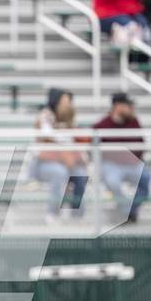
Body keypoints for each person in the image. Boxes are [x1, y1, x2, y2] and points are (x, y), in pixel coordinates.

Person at [30, 88, 88, 224]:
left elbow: (73, 141)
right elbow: (48, 138)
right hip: (44, 162)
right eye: (65, 101)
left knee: (80, 173)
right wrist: (65, 154)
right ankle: (52, 213)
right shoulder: (45, 115)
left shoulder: (69, 117)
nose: (68, 104)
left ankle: (77, 214)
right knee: (59, 172)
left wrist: (75, 157)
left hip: (66, 161)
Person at [94, 92, 151, 223]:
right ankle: (126, 211)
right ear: (117, 106)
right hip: (112, 165)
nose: (130, 108)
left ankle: (129, 212)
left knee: (148, 180)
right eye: (126, 105)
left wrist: (131, 158)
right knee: (112, 181)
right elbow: (95, 150)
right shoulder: (102, 125)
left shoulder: (134, 122)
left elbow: (141, 145)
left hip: (133, 164)